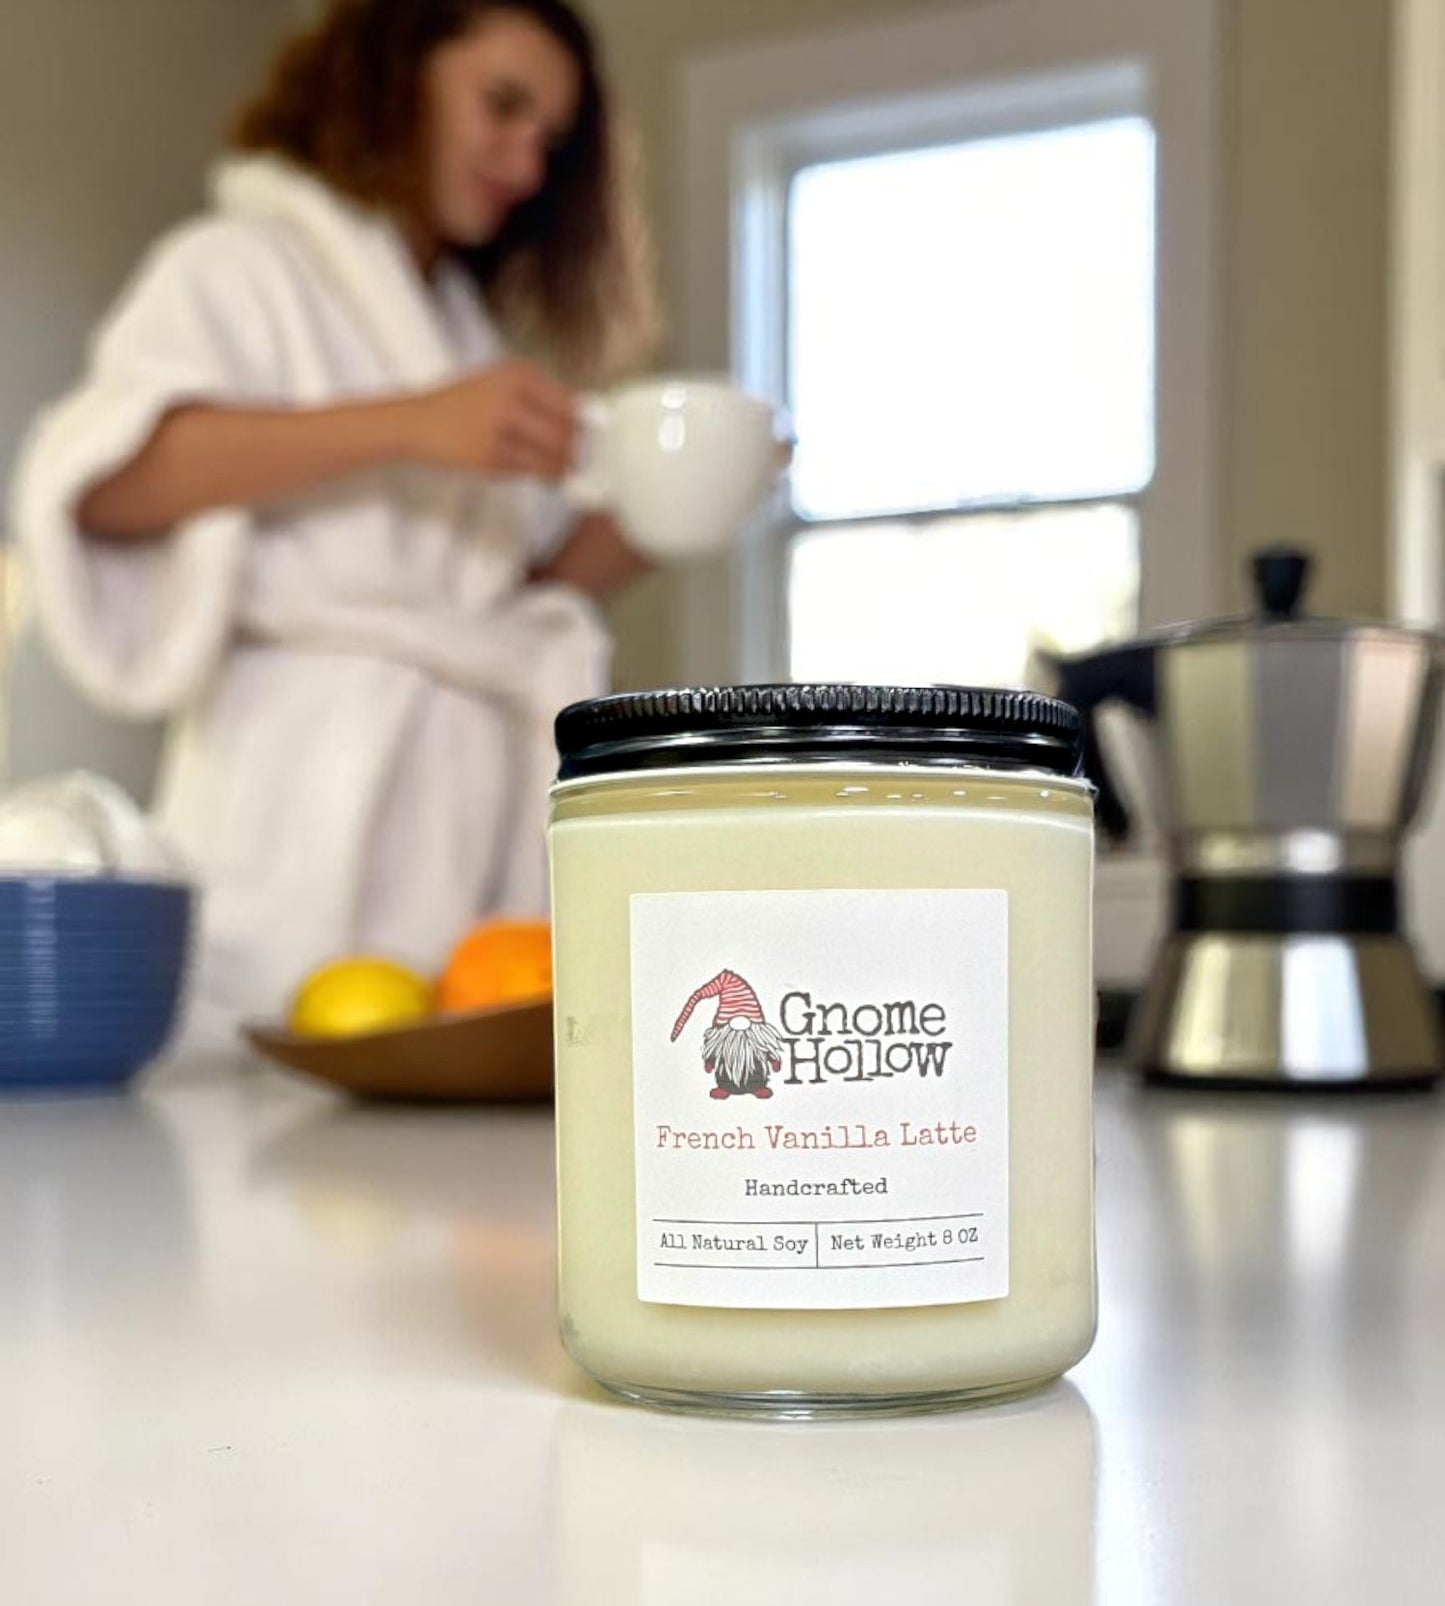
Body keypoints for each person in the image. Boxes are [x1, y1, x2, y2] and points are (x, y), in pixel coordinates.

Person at [10, 0, 659, 1039]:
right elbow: (105, 481)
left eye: (549, 141)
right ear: (396, 72)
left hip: (467, 828)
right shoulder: (235, 264)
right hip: (295, 803)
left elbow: (494, 608)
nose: (525, 163)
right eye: (502, 106)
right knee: (256, 1107)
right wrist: (410, 423)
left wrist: (644, 523)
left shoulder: (462, 332)